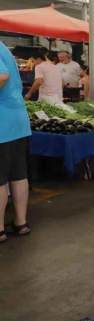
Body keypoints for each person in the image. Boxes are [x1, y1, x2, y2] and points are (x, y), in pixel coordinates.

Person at [0, 41, 32, 243]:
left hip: (2, 122)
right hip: (17, 120)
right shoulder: (2, 46)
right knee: (18, 174)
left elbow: (2, 76)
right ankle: (20, 222)